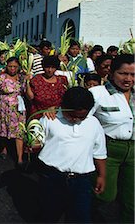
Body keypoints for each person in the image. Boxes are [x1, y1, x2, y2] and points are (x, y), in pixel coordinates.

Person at [36, 87, 107, 223]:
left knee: (80, 217)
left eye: (81, 117)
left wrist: (102, 175)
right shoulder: (50, 119)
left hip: (82, 181)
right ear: (63, 107)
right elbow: (37, 142)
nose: (75, 119)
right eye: (72, 115)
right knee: (48, 214)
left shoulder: (93, 124)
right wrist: (32, 145)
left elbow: (99, 153)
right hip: (51, 177)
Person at [88, 54, 134, 223]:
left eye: (133, 74)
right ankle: (84, 211)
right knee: (105, 195)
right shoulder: (98, 93)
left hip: (134, 153)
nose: (128, 79)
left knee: (132, 201)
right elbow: (78, 117)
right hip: (108, 151)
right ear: (111, 73)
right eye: (123, 73)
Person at [0, 57, 26, 165]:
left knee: (19, 131)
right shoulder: (1, 78)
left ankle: (20, 158)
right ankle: (4, 148)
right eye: (10, 66)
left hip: (18, 108)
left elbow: (26, 92)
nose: (12, 69)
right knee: (4, 128)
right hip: (3, 107)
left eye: (15, 66)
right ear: (6, 66)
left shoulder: (22, 78)